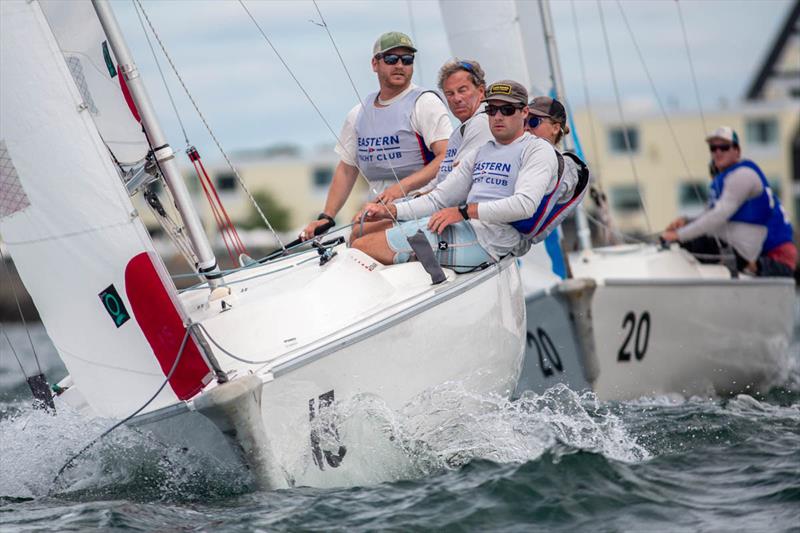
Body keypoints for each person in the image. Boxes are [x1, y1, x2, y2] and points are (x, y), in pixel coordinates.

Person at [350, 80, 560, 272]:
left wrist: (464, 212)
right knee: (359, 233)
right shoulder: (480, 152)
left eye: (507, 110)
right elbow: (439, 199)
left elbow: (524, 205)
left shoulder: (537, 150)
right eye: (492, 109)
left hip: (489, 242)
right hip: (465, 228)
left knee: (362, 247)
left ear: (524, 112)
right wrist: (389, 211)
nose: (498, 116)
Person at [300, 31, 452, 241]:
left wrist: (401, 189)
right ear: (375, 64)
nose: (400, 65)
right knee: (356, 234)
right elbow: (346, 169)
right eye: (391, 59)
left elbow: (446, 156)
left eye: (407, 60)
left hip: (423, 206)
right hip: (377, 211)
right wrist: (327, 217)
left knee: (359, 236)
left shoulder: (425, 103)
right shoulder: (358, 114)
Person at [351, 58, 493, 240]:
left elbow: (449, 194)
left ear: (480, 91)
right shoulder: (461, 130)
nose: (456, 99)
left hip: (470, 228)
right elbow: (442, 179)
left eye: (462, 90)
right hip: (446, 212)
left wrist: (395, 209)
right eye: (449, 93)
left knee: (361, 237)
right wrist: (407, 200)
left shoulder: (481, 123)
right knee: (361, 229)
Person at [661, 126, 796, 276]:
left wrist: (680, 234)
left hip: (776, 257)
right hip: (763, 251)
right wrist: (687, 221)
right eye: (713, 149)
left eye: (724, 147)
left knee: (704, 245)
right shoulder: (736, 188)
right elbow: (715, 217)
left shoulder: (743, 178)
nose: (717, 152)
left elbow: (718, 216)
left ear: (736, 152)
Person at [524, 96, 589, 241]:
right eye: (523, 121)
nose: (526, 127)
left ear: (555, 128)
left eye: (534, 121)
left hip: (512, 246)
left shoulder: (567, 166)